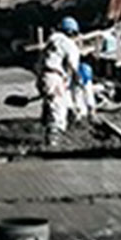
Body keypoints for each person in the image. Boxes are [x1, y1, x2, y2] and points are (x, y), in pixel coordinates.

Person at [36, 16, 82, 147]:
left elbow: (40, 60)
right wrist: (78, 79)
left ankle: (46, 125)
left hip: (43, 76)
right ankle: (53, 141)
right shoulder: (68, 44)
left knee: (51, 102)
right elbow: (73, 65)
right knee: (58, 107)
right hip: (55, 76)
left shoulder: (51, 40)